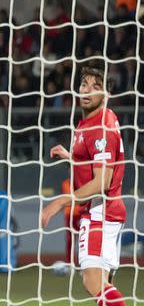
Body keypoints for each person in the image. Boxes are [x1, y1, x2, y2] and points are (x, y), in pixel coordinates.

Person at [40, 66, 127, 305]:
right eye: (84, 84)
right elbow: (97, 159)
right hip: (107, 210)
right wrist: (72, 157)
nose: (87, 90)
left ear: (106, 94)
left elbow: (102, 182)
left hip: (100, 210)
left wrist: (61, 201)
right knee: (103, 283)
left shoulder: (100, 126)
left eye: (96, 87)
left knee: (92, 281)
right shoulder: (89, 122)